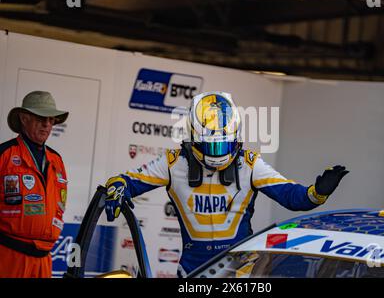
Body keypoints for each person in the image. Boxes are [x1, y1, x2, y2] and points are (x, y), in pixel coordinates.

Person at [104, 91, 348, 277]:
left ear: (236, 139)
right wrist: (117, 188)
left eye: (223, 145)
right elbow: (126, 181)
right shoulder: (173, 163)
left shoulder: (251, 165)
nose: (217, 154)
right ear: (192, 138)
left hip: (242, 268)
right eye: (210, 146)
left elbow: (294, 198)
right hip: (192, 271)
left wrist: (318, 192)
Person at [0, 91, 69, 278]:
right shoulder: (4, 155)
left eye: (51, 119)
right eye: (40, 117)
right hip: (8, 257)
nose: (47, 124)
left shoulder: (57, 160)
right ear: (24, 118)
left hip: (44, 260)